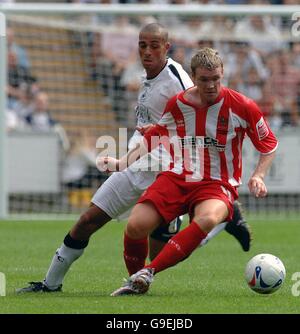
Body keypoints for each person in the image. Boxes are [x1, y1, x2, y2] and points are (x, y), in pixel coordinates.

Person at [17, 24, 250, 294]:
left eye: (154, 45)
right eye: (143, 45)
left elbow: (203, 109)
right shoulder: (145, 75)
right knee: (88, 220)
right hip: (138, 164)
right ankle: (50, 284)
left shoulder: (177, 77)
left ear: (167, 47)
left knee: (164, 249)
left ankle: (220, 221)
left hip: (167, 171)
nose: (147, 51)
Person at [107, 47, 278, 296]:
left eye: (216, 79)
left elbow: (269, 145)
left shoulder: (243, 106)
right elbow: (155, 136)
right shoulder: (179, 103)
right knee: (135, 226)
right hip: (178, 176)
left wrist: (258, 175)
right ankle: (136, 283)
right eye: (204, 80)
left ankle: (147, 273)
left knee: (207, 219)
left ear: (223, 74)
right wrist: (122, 163)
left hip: (217, 184)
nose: (211, 85)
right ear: (194, 77)